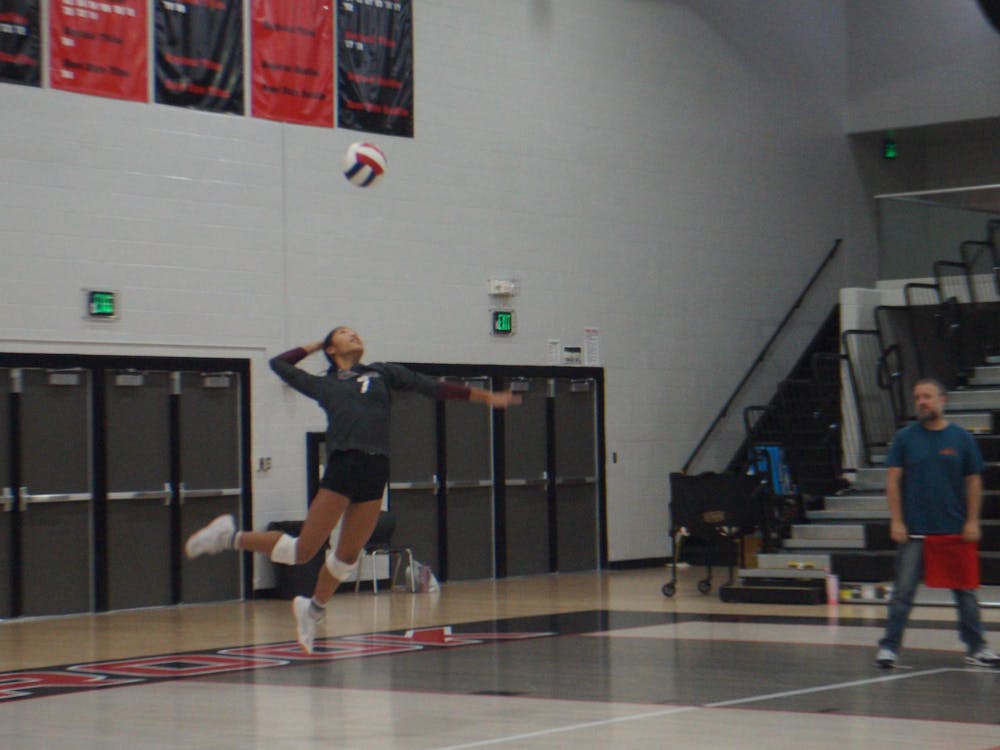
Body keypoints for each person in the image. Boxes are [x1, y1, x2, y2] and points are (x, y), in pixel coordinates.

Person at [185, 326, 521, 653]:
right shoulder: (324, 384)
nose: (354, 334)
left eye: (355, 332)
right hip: (345, 463)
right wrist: (319, 343)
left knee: (347, 557)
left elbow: (432, 386)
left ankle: (313, 610)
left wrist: (486, 397)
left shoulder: (382, 372)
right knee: (303, 551)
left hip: (376, 467)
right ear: (332, 348)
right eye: (344, 333)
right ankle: (227, 537)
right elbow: (279, 364)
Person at [875, 378, 998, 668]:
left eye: (927, 396)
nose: (921, 402)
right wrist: (897, 521)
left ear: (943, 400)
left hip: (953, 529)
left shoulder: (961, 438)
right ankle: (889, 647)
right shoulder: (905, 438)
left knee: (966, 592)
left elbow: (974, 482)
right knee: (902, 592)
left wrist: (972, 521)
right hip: (915, 531)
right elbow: (892, 481)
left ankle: (977, 647)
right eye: (917, 397)